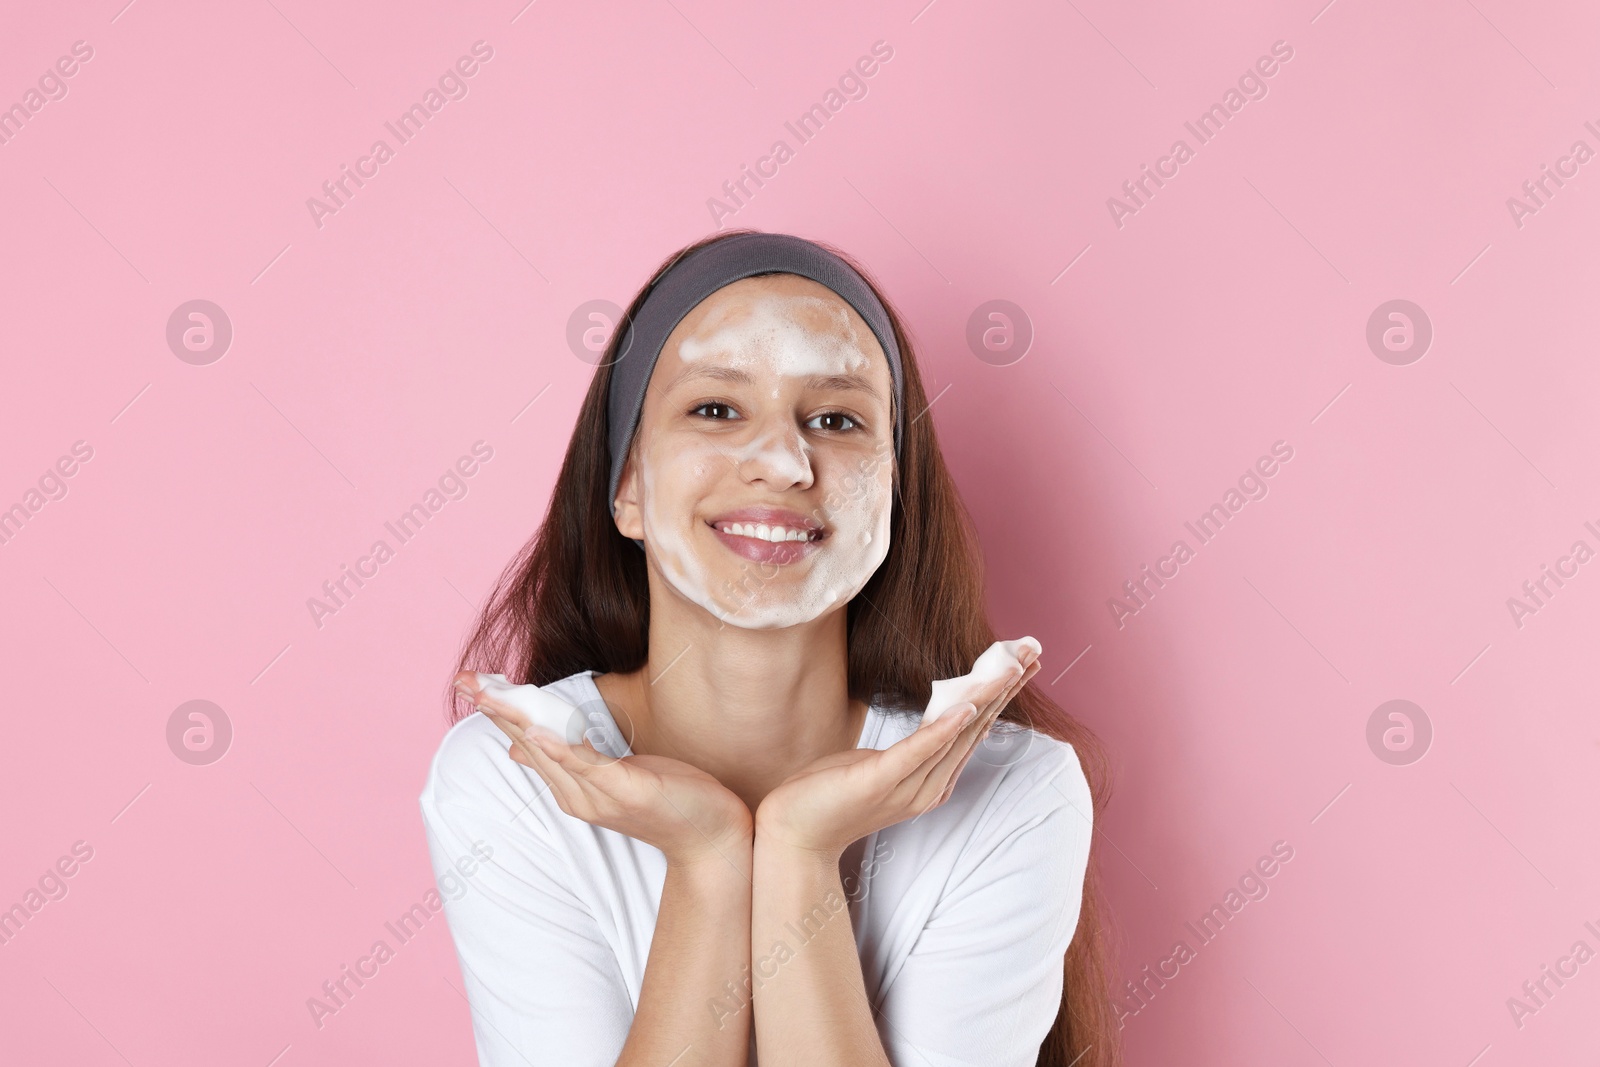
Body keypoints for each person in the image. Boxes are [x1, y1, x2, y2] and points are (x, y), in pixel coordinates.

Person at [418, 229, 1119, 1066]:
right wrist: (710, 858)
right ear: (628, 485)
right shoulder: (512, 779)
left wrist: (798, 853)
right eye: (716, 409)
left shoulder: (1013, 792)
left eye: (835, 418)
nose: (784, 461)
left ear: (893, 497)